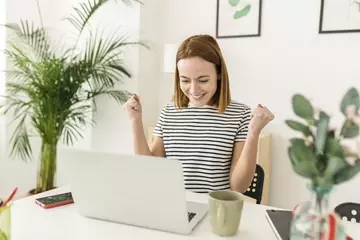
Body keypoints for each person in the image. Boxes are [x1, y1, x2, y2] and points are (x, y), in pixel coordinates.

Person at [125, 34, 274, 194]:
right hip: (174, 206)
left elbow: (238, 187)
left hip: (215, 210)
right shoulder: (169, 111)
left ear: (218, 74)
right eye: (185, 80)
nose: (194, 90)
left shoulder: (240, 114)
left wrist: (254, 133)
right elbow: (151, 168)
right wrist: (135, 121)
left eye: (203, 80)